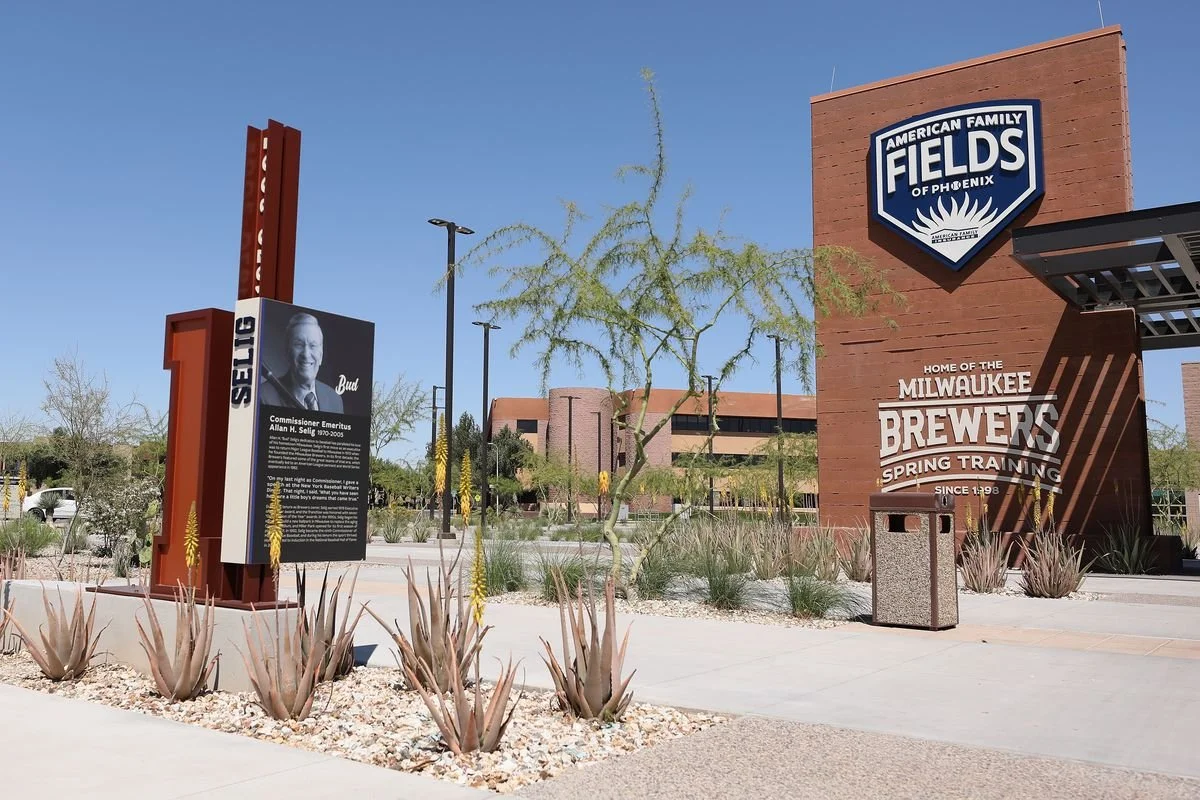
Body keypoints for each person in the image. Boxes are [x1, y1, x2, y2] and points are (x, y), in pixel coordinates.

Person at [259, 312, 344, 413]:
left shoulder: (334, 400)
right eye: (299, 345)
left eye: (313, 345)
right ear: (287, 352)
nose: (306, 354)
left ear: (321, 355)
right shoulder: (264, 396)